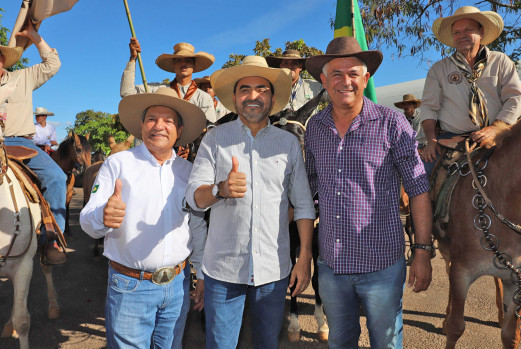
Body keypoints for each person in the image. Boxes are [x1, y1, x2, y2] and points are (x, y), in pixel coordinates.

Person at [304, 36, 433, 348]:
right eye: (336, 73)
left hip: (382, 267)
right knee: (340, 342)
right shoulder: (314, 129)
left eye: (353, 73)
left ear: (367, 78)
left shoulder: (393, 123)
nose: (344, 81)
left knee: (386, 344)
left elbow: (417, 189)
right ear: (324, 80)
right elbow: (306, 193)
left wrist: (423, 252)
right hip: (331, 267)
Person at [185, 55, 316, 349]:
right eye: (245, 89)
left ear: (272, 98)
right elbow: (193, 196)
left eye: (262, 89)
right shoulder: (214, 138)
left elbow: (305, 206)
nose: (253, 96)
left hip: (274, 271)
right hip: (223, 271)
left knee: (268, 344)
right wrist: (220, 189)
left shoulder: (289, 143)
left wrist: (304, 257)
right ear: (234, 97)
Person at [80, 87, 208, 349]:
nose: (159, 126)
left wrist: (202, 273)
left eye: (168, 120)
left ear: (179, 130)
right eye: (152, 119)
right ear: (141, 126)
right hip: (129, 287)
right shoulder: (118, 164)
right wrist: (103, 216)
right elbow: (87, 222)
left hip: (178, 286)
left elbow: (195, 224)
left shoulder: (189, 171)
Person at [420, 6, 521, 176]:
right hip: (452, 139)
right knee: (420, 177)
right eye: (456, 32)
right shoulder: (438, 70)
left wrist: (496, 128)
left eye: (468, 29)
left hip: (498, 132)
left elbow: (515, 97)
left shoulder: (500, 61)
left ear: (481, 32)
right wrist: (431, 140)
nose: (461, 35)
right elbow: (428, 108)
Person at [1, 21, 67, 265]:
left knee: (58, 178)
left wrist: (35, 36)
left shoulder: (23, 77)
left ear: (3, 59)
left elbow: (53, 64)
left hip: (20, 142)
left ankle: (52, 238)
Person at [121, 38, 217, 123]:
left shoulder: (204, 98)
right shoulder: (157, 90)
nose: (183, 64)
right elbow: (127, 93)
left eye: (188, 60)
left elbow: (209, 128)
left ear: (194, 66)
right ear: (173, 65)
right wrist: (133, 59)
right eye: (179, 60)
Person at [266, 49, 325, 113]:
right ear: (281, 66)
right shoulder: (272, 90)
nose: (289, 66)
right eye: (286, 63)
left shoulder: (315, 86)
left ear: (300, 67)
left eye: (294, 63)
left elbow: (335, 98)